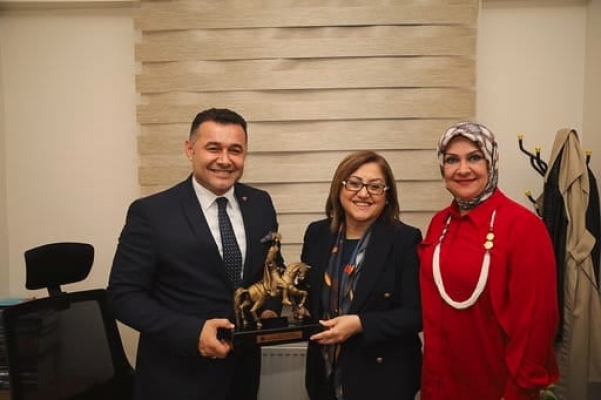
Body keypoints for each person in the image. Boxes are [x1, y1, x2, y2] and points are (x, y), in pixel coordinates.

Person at [107, 108, 281, 400]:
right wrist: (193, 333)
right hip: (176, 380)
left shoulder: (260, 204)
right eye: (213, 148)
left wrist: (270, 308)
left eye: (235, 150)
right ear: (190, 150)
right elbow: (122, 296)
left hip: (242, 376)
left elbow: (272, 268)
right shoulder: (152, 213)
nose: (224, 160)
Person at [418, 122, 559, 399]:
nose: (462, 169)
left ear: (491, 161)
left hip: (496, 389)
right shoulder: (439, 223)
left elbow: (536, 324)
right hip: (438, 385)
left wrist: (519, 391)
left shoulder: (523, 227)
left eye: (474, 157)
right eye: (452, 160)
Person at [300, 150, 423, 400]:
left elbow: (415, 315)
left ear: (387, 196)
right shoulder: (317, 234)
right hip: (323, 374)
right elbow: (308, 295)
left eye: (375, 186)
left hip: (383, 379)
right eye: (354, 183)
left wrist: (360, 324)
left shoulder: (405, 240)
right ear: (339, 188)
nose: (364, 193)